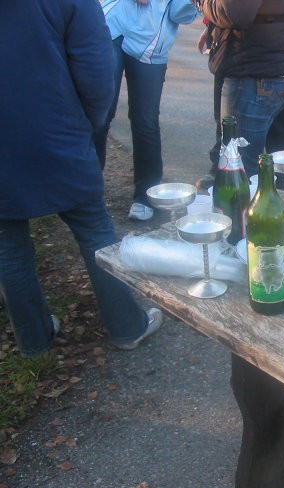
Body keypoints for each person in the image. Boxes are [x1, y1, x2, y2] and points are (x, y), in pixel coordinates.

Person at [0, 0, 162, 358]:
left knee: (8, 245)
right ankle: (127, 326)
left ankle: (34, 341)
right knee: (95, 232)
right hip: (54, 131)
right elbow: (97, 70)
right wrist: (86, 126)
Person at [94, 0, 200, 221]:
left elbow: (180, 14)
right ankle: (88, 190)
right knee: (99, 113)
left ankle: (145, 195)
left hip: (150, 42)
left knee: (145, 120)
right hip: (109, 28)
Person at [200, 0, 284, 177]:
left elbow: (235, 13)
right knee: (278, 168)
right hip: (272, 69)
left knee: (237, 175)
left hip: (251, 73)